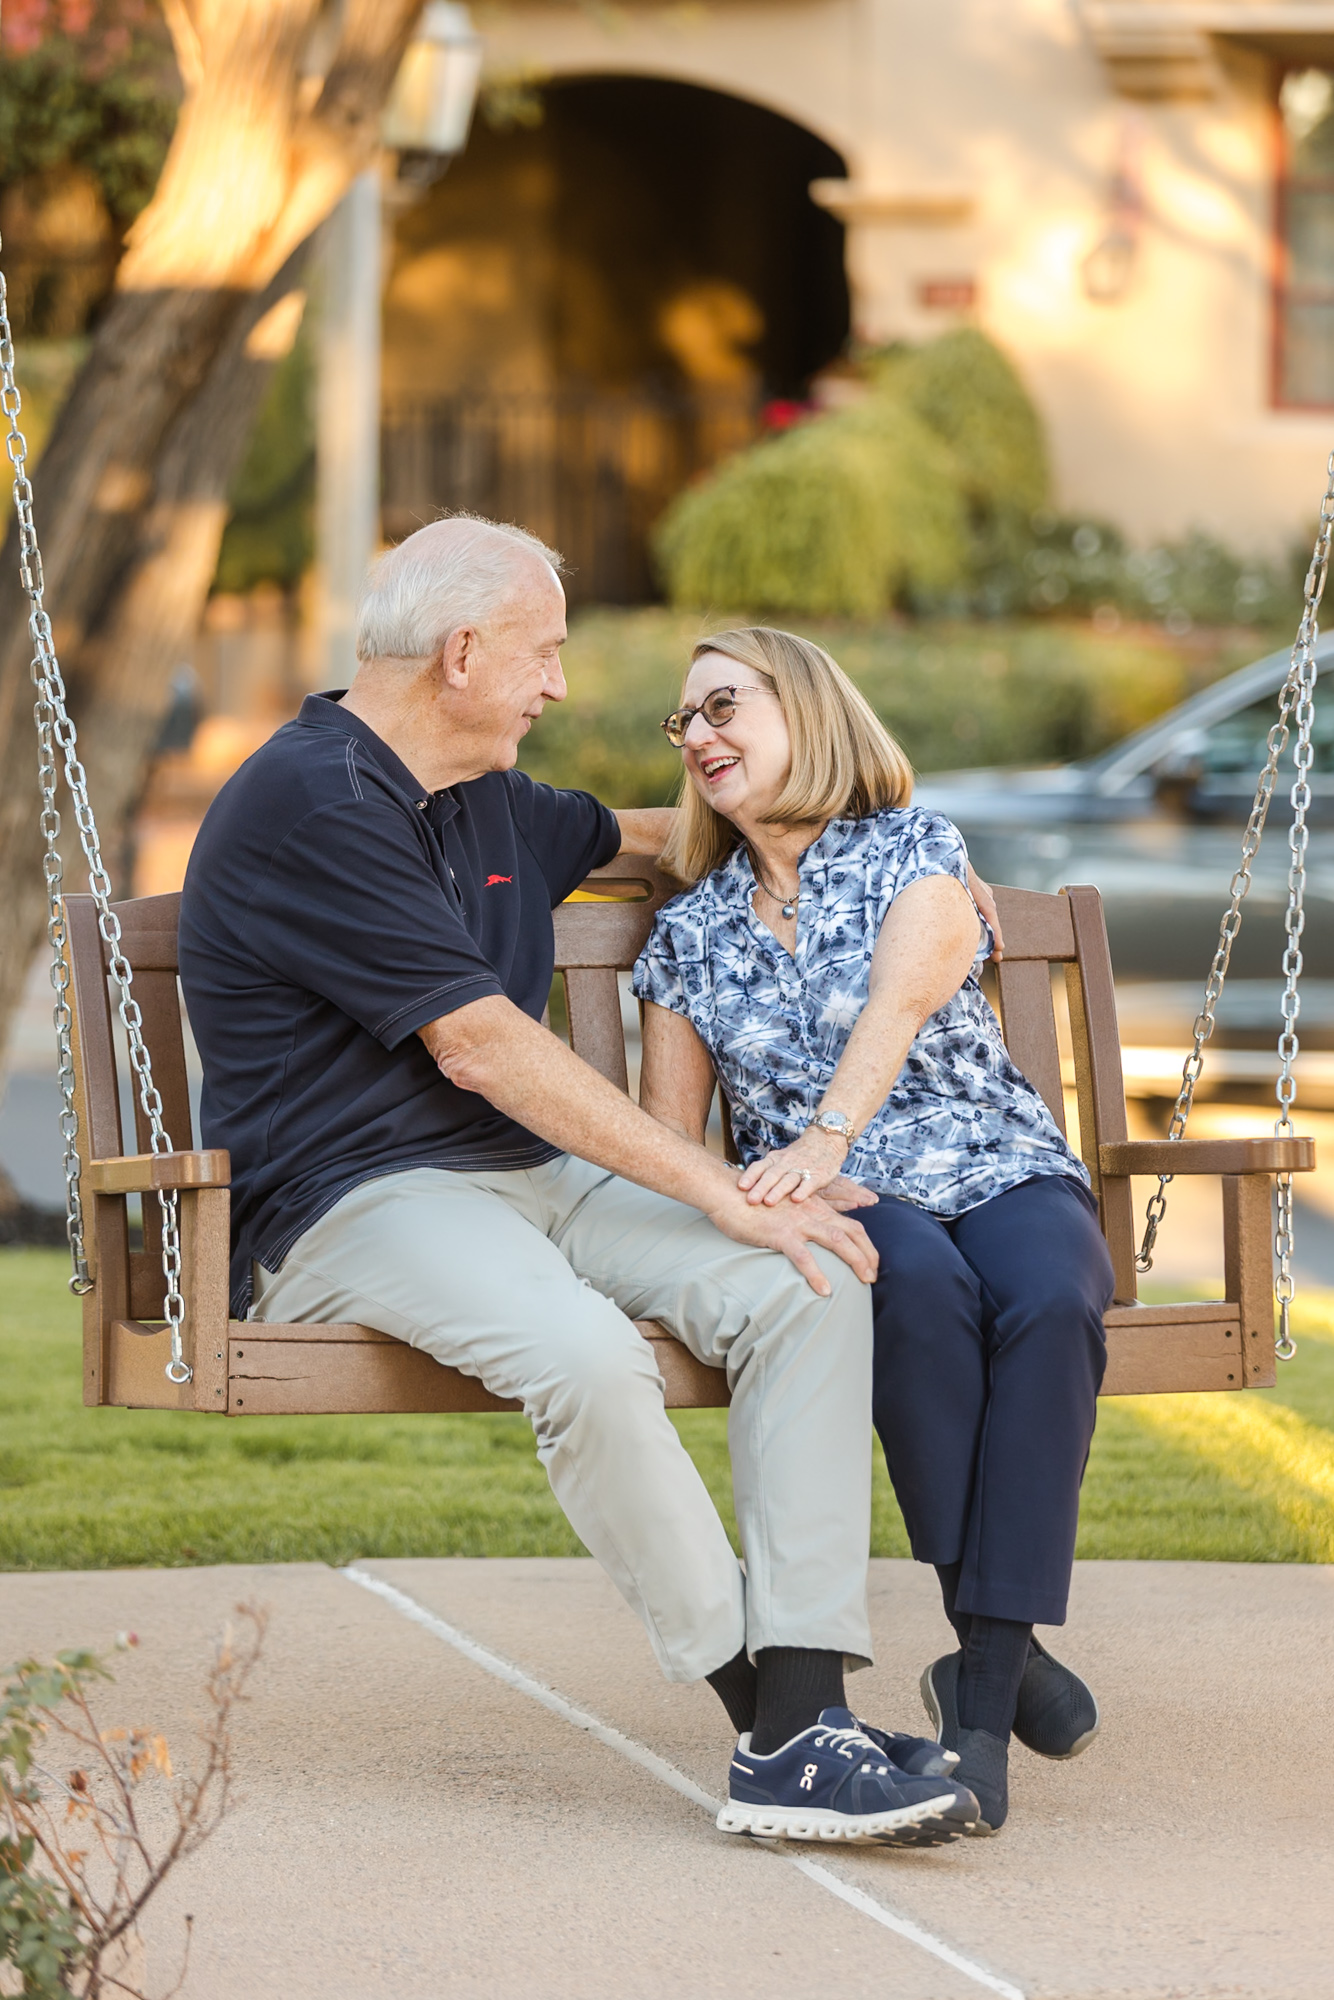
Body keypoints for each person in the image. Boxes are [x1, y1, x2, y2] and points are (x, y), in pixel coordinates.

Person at [178, 516, 978, 1845]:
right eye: (543, 654)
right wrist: (716, 1183)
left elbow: (671, 827)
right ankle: (778, 1736)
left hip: (528, 1183)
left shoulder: (489, 794)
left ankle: (803, 1711)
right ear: (463, 652)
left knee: (812, 1270)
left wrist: (867, 851)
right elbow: (485, 1047)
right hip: (351, 1203)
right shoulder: (309, 799)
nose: (557, 684)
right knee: (589, 1355)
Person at [634, 625, 1115, 1834]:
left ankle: (979, 1678)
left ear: (808, 711)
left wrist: (825, 1131)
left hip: (991, 1158)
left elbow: (913, 976)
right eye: (680, 721)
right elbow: (666, 1133)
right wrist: (742, 1194)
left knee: (1054, 1297)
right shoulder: (691, 934)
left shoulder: (912, 847)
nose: (696, 734)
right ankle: (989, 1689)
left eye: (722, 705)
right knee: (920, 1299)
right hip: (844, 1206)